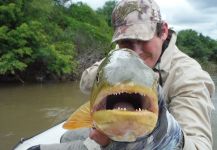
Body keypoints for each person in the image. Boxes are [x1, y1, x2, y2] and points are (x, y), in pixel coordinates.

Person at [29, 0, 215, 149]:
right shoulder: (117, 59)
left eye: (142, 39)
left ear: (163, 31)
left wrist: (163, 134)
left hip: (150, 145)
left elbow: (200, 146)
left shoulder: (189, 76)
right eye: (126, 42)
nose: (136, 51)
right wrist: (115, 63)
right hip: (109, 135)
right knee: (66, 136)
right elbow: (85, 82)